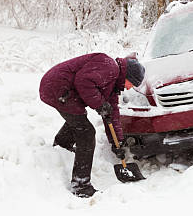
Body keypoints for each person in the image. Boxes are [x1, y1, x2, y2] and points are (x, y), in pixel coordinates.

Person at [39, 53, 145, 198]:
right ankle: (81, 185)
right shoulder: (109, 67)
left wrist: (117, 143)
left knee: (79, 121)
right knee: (86, 133)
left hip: (61, 88)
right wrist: (100, 104)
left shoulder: (113, 83)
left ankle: (62, 145)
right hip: (58, 87)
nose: (129, 88)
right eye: (131, 84)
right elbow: (83, 82)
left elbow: (112, 113)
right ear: (127, 76)